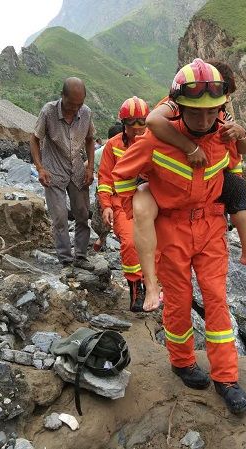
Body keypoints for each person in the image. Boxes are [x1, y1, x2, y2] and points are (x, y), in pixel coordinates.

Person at [112, 59, 246, 415]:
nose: (204, 121)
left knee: (217, 299)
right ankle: (182, 361)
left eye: (212, 112)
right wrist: (141, 209)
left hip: (211, 228)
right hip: (171, 229)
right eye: (195, 113)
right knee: (178, 300)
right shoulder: (155, 140)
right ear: (180, 107)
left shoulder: (223, 135)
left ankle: (226, 378)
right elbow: (121, 177)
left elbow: (235, 170)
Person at [135, 59, 246, 310]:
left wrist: (240, 132)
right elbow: (154, 122)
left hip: (208, 177)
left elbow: (243, 147)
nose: (208, 114)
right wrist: (190, 147)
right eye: (226, 94)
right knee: (144, 213)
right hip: (162, 175)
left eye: (223, 99)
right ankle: (151, 283)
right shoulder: (174, 104)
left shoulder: (220, 112)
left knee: (237, 188)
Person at [30, 77, 95, 270]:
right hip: (54, 172)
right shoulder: (48, 111)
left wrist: (90, 167)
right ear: (62, 96)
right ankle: (66, 259)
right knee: (59, 217)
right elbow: (34, 139)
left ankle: (81, 256)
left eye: (80, 104)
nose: (75, 109)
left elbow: (90, 139)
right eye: (71, 104)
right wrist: (40, 168)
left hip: (78, 171)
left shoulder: (86, 112)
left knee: (83, 215)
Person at [97, 97, 150, 312]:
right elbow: (105, 178)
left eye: (141, 125)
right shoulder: (114, 145)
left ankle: (151, 286)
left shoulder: (155, 141)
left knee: (154, 246)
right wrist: (106, 205)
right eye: (131, 126)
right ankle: (136, 291)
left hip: (149, 200)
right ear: (123, 124)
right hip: (122, 202)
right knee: (129, 243)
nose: (137, 131)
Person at [91, 122, 124, 252]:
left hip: (104, 190)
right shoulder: (112, 149)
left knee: (104, 218)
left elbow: (91, 166)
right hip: (114, 192)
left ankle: (102, 239)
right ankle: (107, 239)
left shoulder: (100, 151)